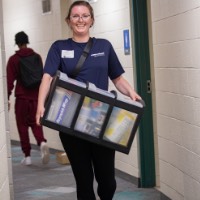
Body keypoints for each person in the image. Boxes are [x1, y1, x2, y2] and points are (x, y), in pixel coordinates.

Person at [36, 1, 141, 199]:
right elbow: (47, 78)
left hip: (100, 120)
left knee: (107, 181)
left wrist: (131, 93)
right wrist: (40, 105)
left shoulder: (104, 46)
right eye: (75, 16)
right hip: (70, 122)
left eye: (85, 15)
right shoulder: (59, 47)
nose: (80, 20)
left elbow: (117, 77)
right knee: (84, 180)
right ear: (69, 21)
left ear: (92, 20)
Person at [7, 31, 50, 166]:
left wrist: (7, 98)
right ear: (27, 42)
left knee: (22, 126)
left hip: (21, 99)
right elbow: (42, 77)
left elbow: (9, 81)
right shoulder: (37, 57)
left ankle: (27, 156)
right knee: (36, 123)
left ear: (17, 43)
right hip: (36, 98)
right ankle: (42, 142)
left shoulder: (14, 60)